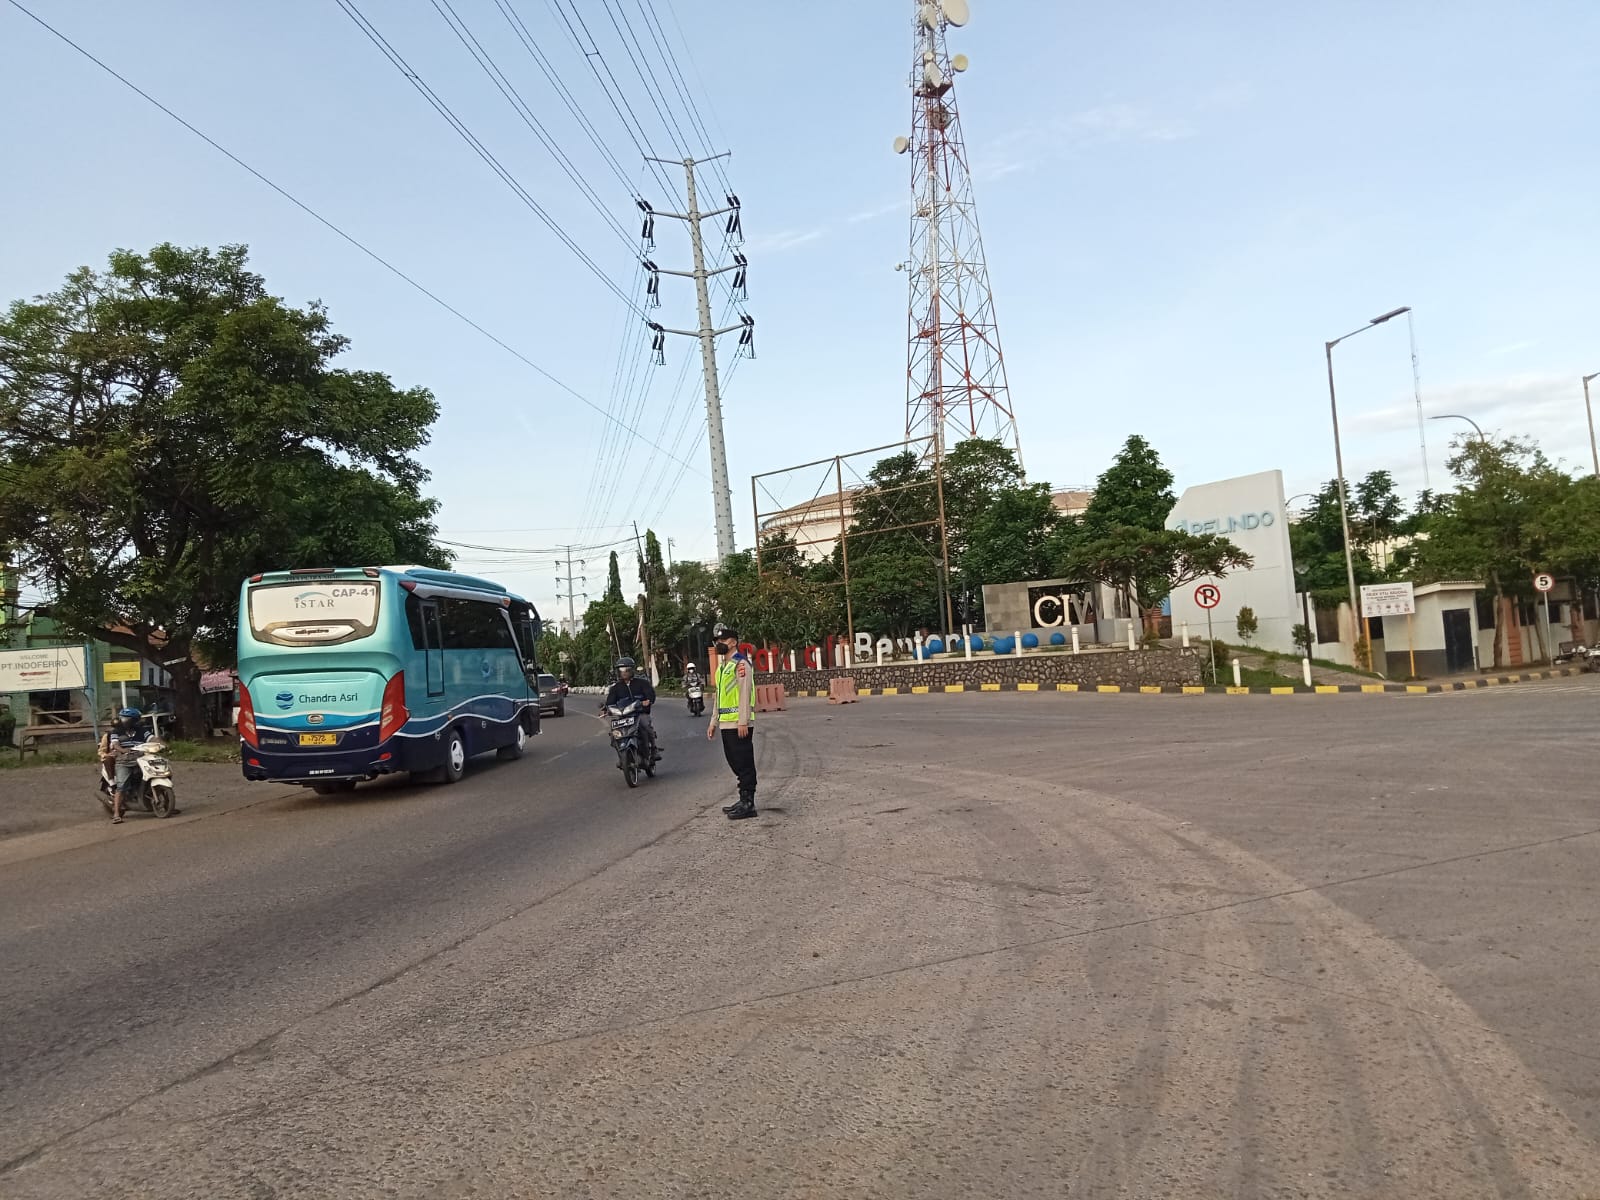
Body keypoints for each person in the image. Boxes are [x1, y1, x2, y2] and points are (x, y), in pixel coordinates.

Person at [706, 623, 757, 820]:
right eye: (717, 641)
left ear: (734, 642)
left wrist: (743, 721)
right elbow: (719, 698)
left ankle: (749, 803)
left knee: (744, 763)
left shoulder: (740, 664)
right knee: (734, 761)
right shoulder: (722, 668)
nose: (719, 643)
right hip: (726, 723)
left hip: (739, 724)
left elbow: (745, 693)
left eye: (723, 640)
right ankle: (743, 798)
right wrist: (713, 722)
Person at [601, 657, 659, 762]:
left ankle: (654, 749)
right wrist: (605, 709)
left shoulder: (642, 683)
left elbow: (650, 694)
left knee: (645, 725)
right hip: (624, 715)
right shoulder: (616, 687)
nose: (624, 672)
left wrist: (648, 701)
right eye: (621, 670)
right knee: (614, 734)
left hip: (640, 713)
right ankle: (621, 754)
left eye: (626, 669)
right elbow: (610, 701)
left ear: (632, 670)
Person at [99, 707, 146, 824]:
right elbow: (112, 746)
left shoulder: (141, 731)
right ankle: (116, 813)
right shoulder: (113, 733)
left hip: (140, 757)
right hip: (123, 759)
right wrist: (122, 751)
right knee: (121, 785)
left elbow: (152, 738)